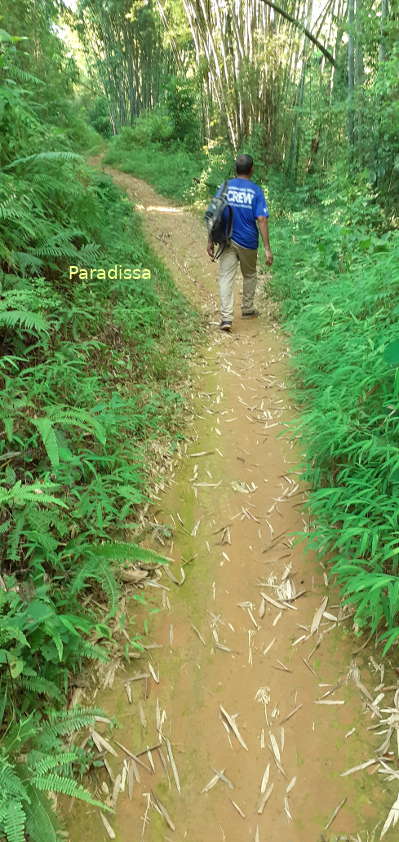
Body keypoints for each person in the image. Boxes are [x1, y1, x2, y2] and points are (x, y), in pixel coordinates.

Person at [207, 154, 273, 332]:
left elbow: (212, 214)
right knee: (249, 274)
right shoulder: (256, 191)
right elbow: (262, 219)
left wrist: (210, 241)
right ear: (252, 170)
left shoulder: (225, 187)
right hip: (248, 241)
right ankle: (247, 308)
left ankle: (226, 318)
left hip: (226, 240)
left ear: (235, 169)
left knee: (226, 277)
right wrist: (267, 248)